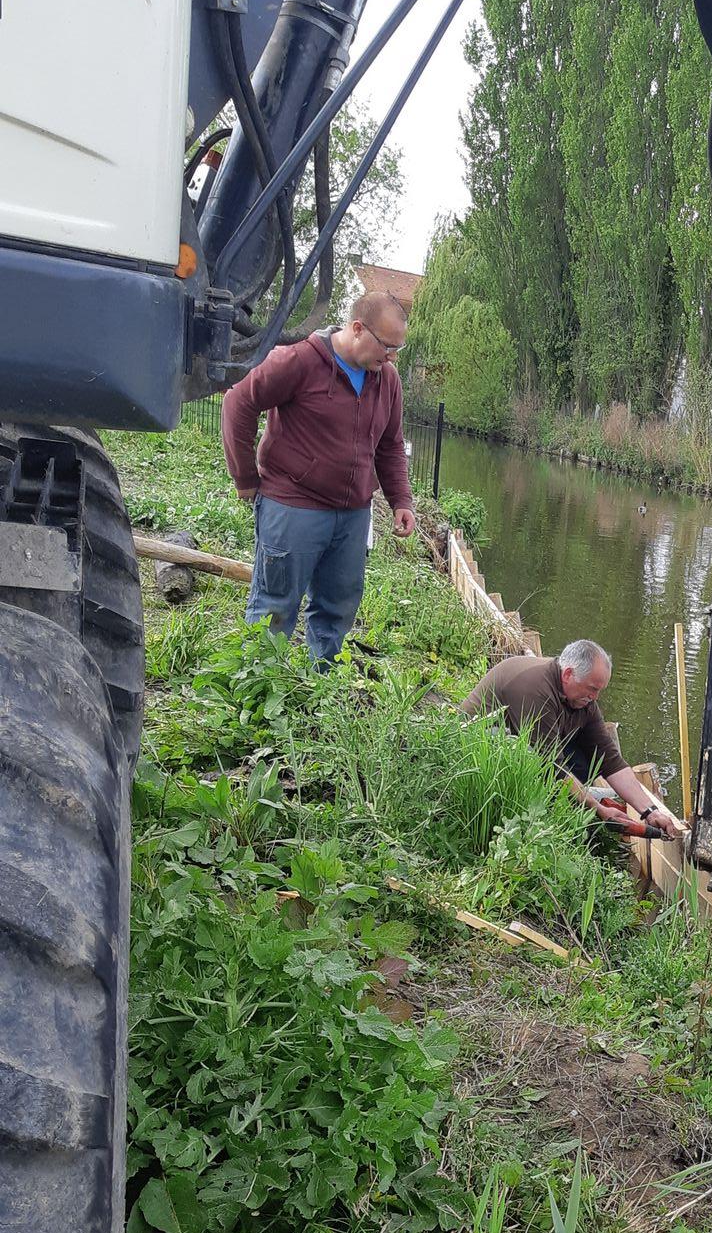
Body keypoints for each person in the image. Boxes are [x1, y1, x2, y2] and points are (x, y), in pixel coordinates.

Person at [222, 290, 416, 664]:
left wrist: (401, 501)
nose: (391, 357)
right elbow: (238, 402)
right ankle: (259, 688)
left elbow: (390, 446)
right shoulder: (299, 361)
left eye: (397, 349)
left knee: (337, 608)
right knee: (274, 606)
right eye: (387, 346)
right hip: (293, 505)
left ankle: (319, 688)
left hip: (352, 516)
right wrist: (245, 478)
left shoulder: (387, 380)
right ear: (357, 329)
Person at [460, 638, 687, 839]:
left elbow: (610, 760)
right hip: (478, 746)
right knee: (541, 763)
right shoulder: (535, 689)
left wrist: (650, 811)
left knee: (591, 762)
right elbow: (551, 765)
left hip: (530, 746)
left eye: (599, 691)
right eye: (591, 689)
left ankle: (562, 799)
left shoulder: (583, 699)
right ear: (568, 674)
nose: (595, 697)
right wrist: (598, 808)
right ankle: (543, 806)